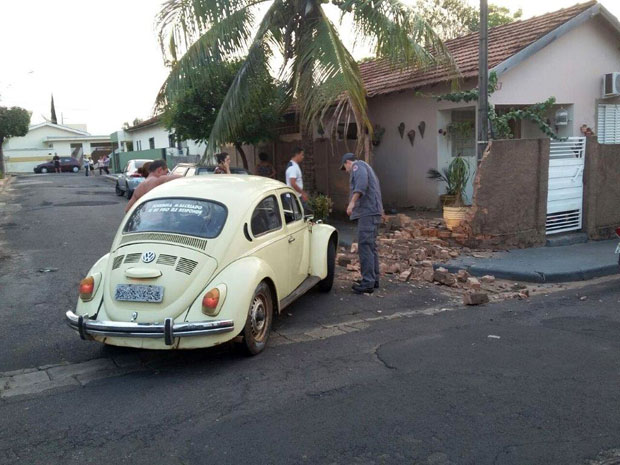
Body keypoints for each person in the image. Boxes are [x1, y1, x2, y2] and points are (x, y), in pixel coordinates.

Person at [341, 153, 384, 294]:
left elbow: (361, 185)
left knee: (365, 246)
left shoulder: (357, 166)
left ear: (348, 162)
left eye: (344, 167)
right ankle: (373, 279)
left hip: (368, 212)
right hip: (373, 212)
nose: (346, 171)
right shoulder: (365, 166)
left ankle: (367, 282)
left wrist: (351, 203)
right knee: (371, 246)